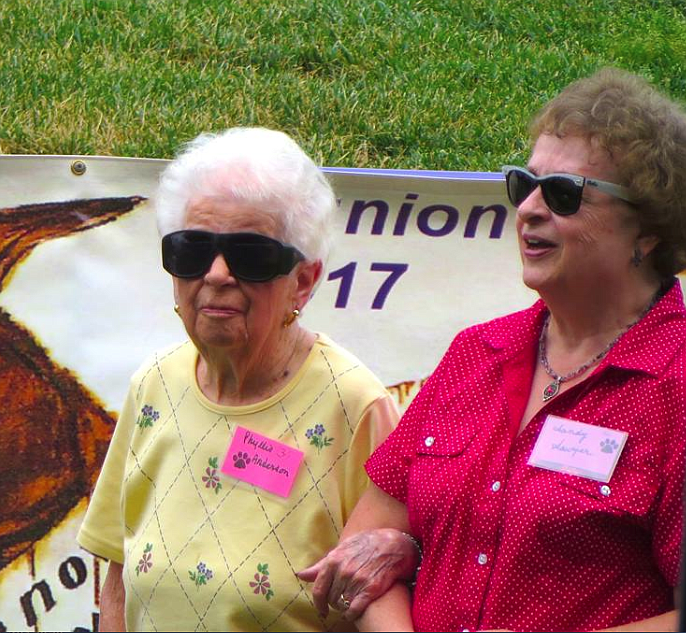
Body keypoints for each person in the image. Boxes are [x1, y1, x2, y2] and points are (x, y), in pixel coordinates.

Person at [298, 68, 686, 632]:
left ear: (647, 232)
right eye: (522, 185)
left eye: (563, 194)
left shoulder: (676, 385)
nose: (528, 208)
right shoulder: (477, 353)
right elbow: (361, 549)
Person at [76, 127, 398, 631]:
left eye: (251, 255)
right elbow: (118, 569)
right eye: (192, 250)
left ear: (305, 281)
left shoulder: (355, 406)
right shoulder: (155, 384)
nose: (218, 274)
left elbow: (384, 593)